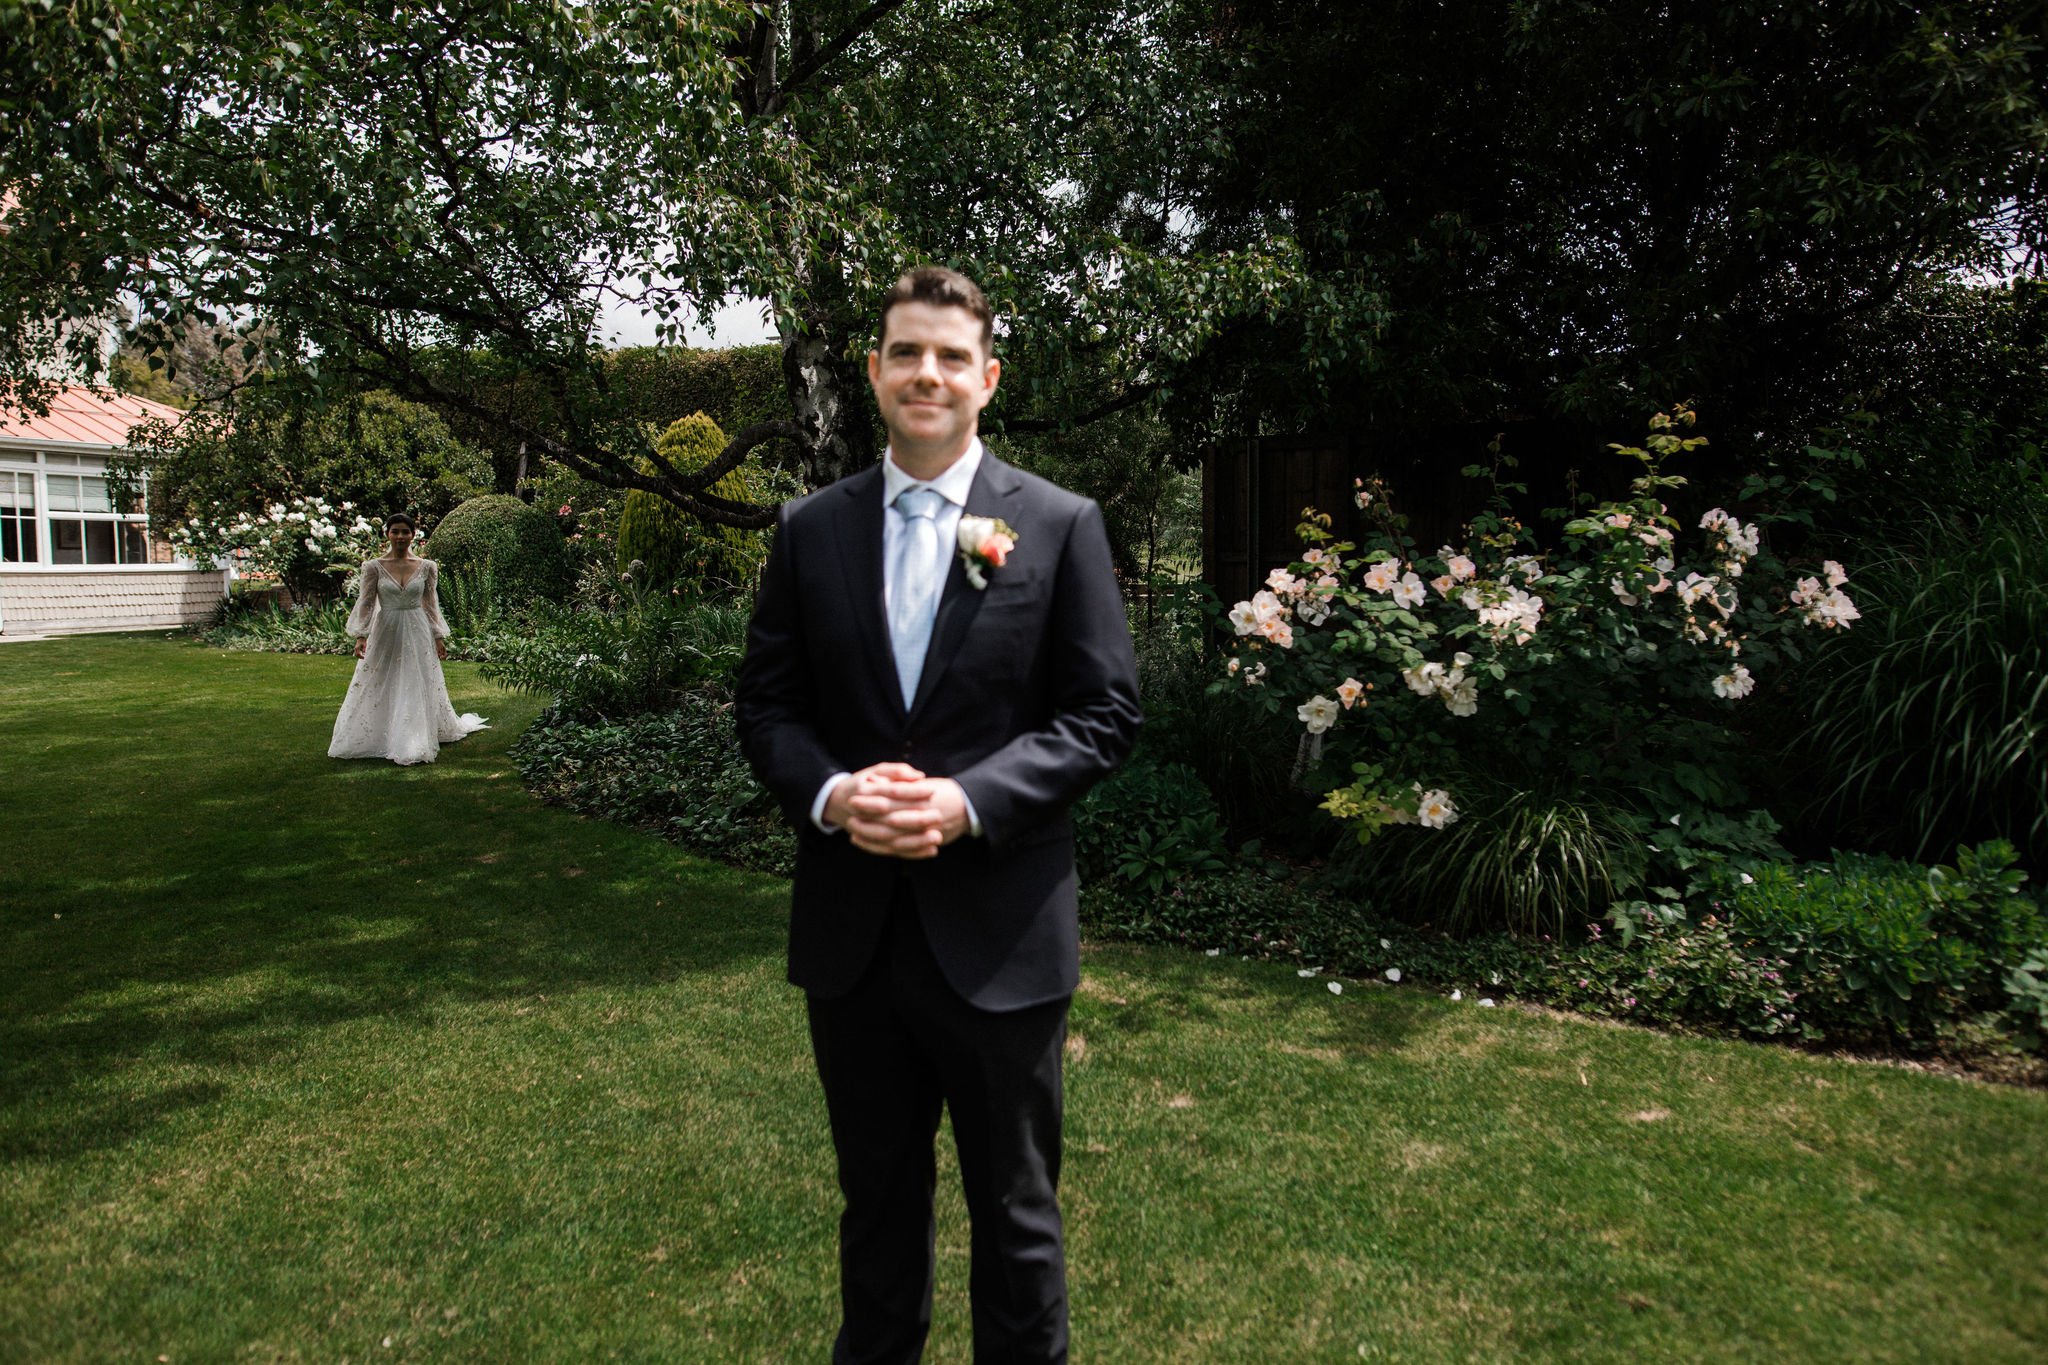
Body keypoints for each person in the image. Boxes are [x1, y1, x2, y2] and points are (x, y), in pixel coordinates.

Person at [736, 266, 1142, 1364]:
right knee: (875, 1214)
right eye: (906, 352)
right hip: (852, 941)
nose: (928, 374)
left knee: (1015, 1224)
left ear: (987, 379)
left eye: (951, 356)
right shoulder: (808, 529)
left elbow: (1103, 713)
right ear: (872, 371)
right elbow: (766, 708)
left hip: (1002, 938)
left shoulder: (1055, 526)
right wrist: (829, 793)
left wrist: (967, 802)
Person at [328, 511, 488, 765]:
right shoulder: (373, 567)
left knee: (415, 677)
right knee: (381, 677)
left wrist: (438, 637)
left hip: (417, 629)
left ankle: (412, 739)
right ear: (388, 535)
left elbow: (431, 604)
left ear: (413, 535)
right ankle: (379, 732)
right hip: (386, 628)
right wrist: (361, 635)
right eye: (395, 531)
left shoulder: (427, 567)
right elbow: (367, 602)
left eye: (405, 531)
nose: (400, 536)